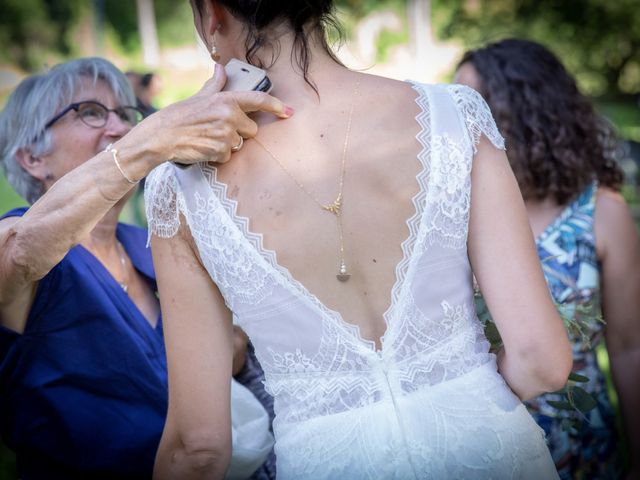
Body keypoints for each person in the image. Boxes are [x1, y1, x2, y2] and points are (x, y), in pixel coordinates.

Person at [147, 1, 573, 479]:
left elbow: (198, 447)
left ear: (213, 15)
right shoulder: (455, 117)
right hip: (495, 451)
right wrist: (462, 392)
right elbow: (543, 362)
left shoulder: (181, 189)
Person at [0, 56, 290, 479]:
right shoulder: (22, 242)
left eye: (126, 114)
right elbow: (21, 248)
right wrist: (150, 141)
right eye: (91, 113)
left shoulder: (151, 243)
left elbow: (221, 358)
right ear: (31, 157)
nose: (119, 128)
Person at [455, 38, 640, 480]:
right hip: (482, 447)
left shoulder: (601, 214)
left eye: (476, 107)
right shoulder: (451, 212)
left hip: (580, 441)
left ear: (529, 112)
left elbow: (631, 347)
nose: (463, 123)